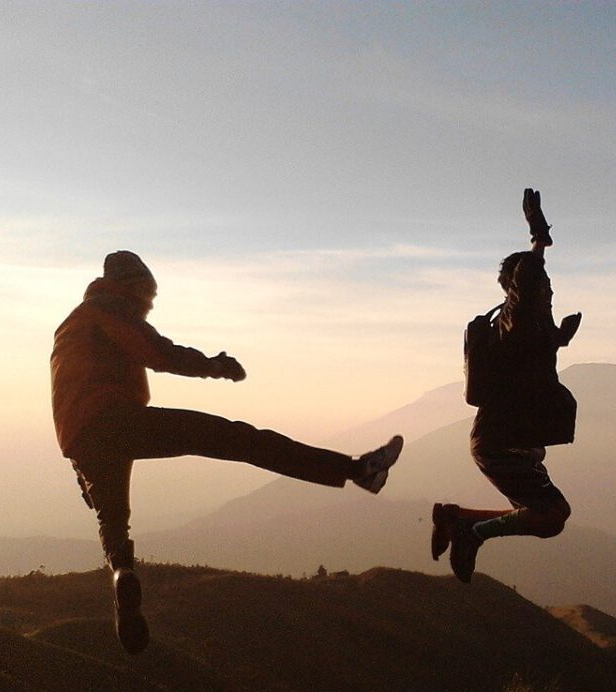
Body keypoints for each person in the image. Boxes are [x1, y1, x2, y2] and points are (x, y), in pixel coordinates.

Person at [51, 251, 403, 653]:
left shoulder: (71, 325)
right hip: (115, 420)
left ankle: (122, 577)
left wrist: (83, 472)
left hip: (81, 440)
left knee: (113, 520)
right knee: (236, 438)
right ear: (134, 287)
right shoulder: (109, 307)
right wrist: (214, 366)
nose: (149, 307)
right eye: (147, 297)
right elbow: (158, 352)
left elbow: (69, 402)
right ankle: (359, 470)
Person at [431, 190, 582, 582]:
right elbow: (527, 285)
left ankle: (459, 520)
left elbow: (526, 357)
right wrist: (538, 239)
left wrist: (560, 338)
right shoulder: (515, 321)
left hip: (509, 441)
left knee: (547, 517)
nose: (549, 290)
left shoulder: (522, 329)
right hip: (499, 444)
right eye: (543, 284)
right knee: (552, 516)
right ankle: (470, 531)